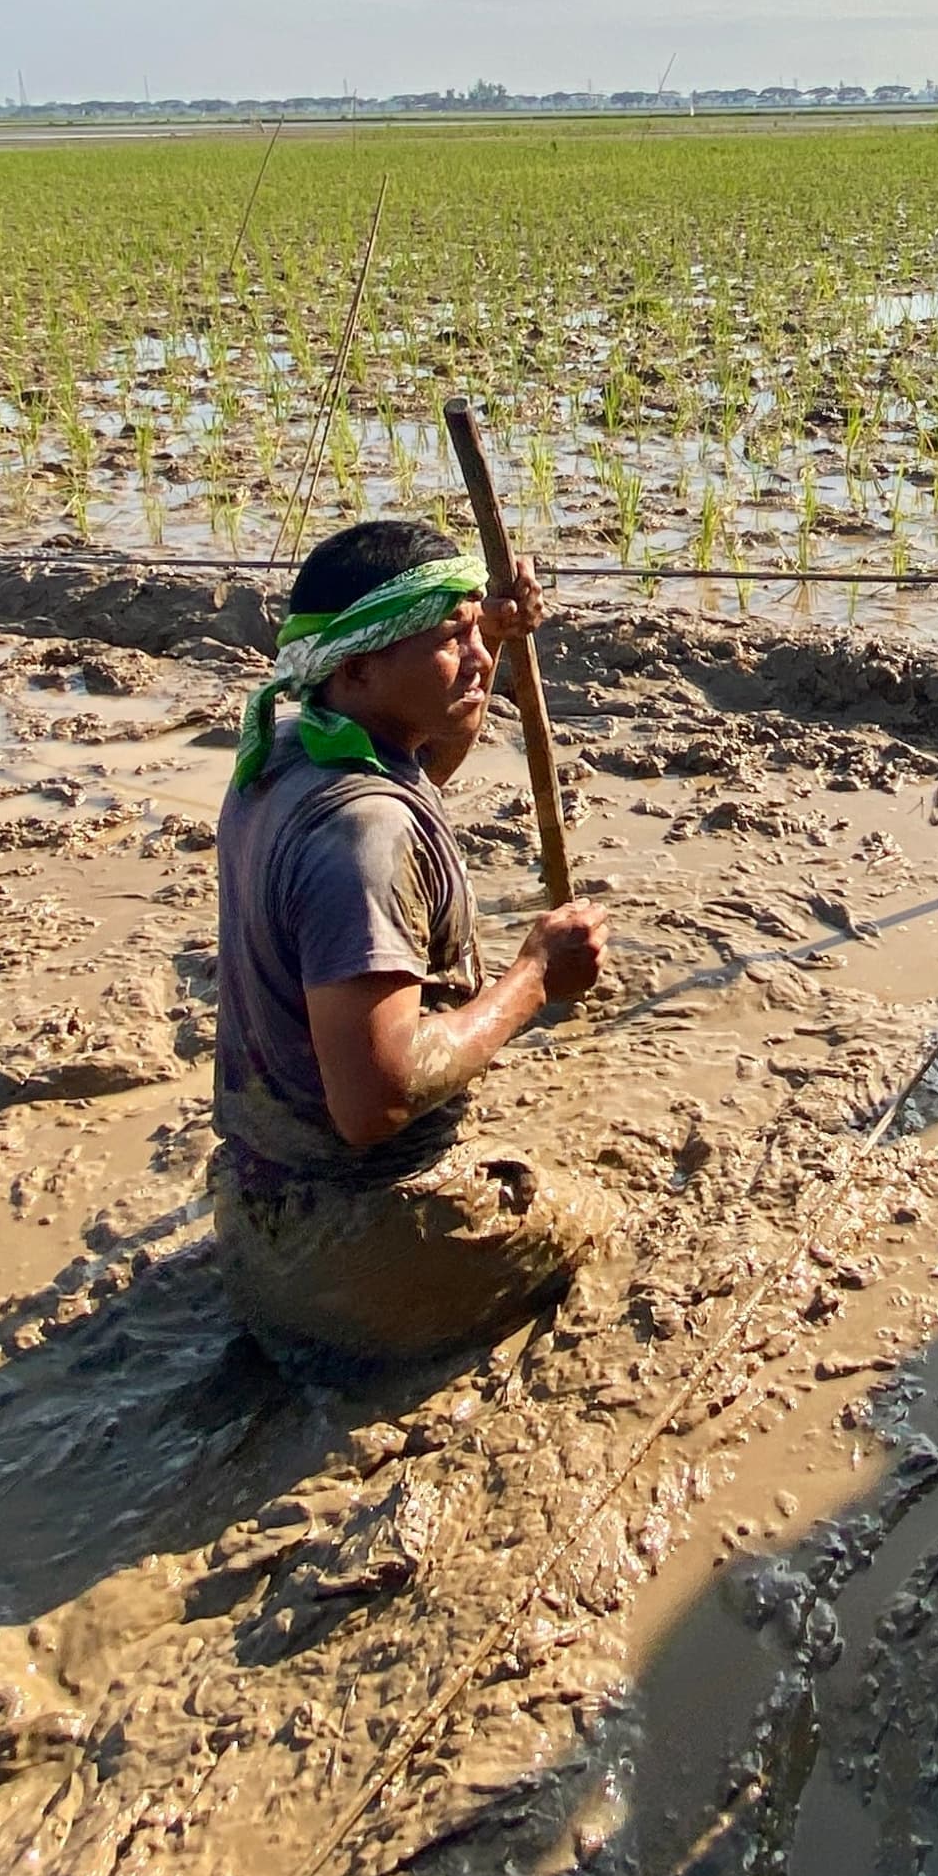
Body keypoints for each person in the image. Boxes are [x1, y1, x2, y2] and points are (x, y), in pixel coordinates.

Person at [208, 518, 619, 1367]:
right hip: (357, 1238)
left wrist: (486, 636)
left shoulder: (294, 749)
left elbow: (428, 766)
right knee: (611, 1230)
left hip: (256, 1212)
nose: (476, 658)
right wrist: (533, 978)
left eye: (475, 631)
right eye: (448, 639)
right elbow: (376, 1099)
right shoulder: (363, 840)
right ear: (358, 667)